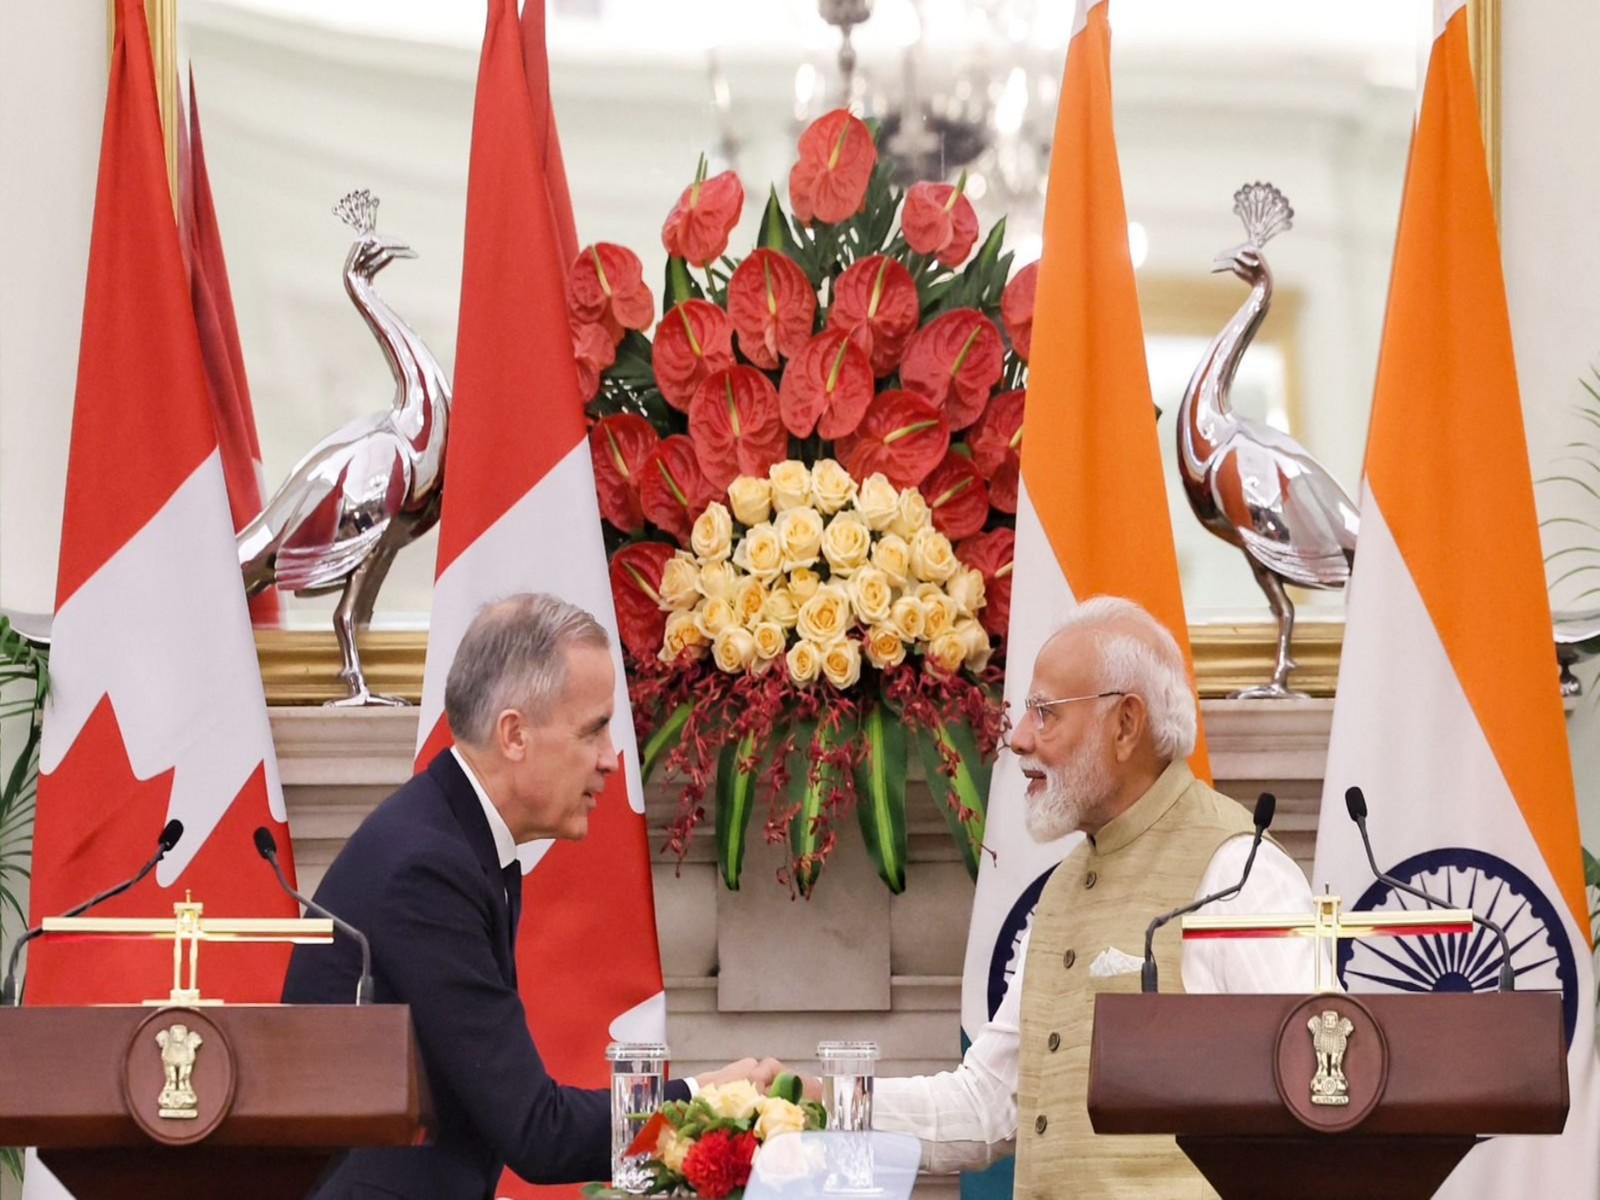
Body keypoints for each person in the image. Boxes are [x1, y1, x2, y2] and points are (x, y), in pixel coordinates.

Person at [282, 593, 773, 1199]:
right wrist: (709, 1101)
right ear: (514, 734)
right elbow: (536, 1133)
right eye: (594, 730)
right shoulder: (426, 870)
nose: (611, 761)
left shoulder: (453, 837)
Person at [864, 596, 1315, 1197]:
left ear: (1126, 724)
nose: (1019, 740)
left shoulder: (1239, 873)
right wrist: (814, 1103)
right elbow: (989, 1104)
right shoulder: (1061, 887)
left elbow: (1314, 1102)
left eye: (1045, 713)